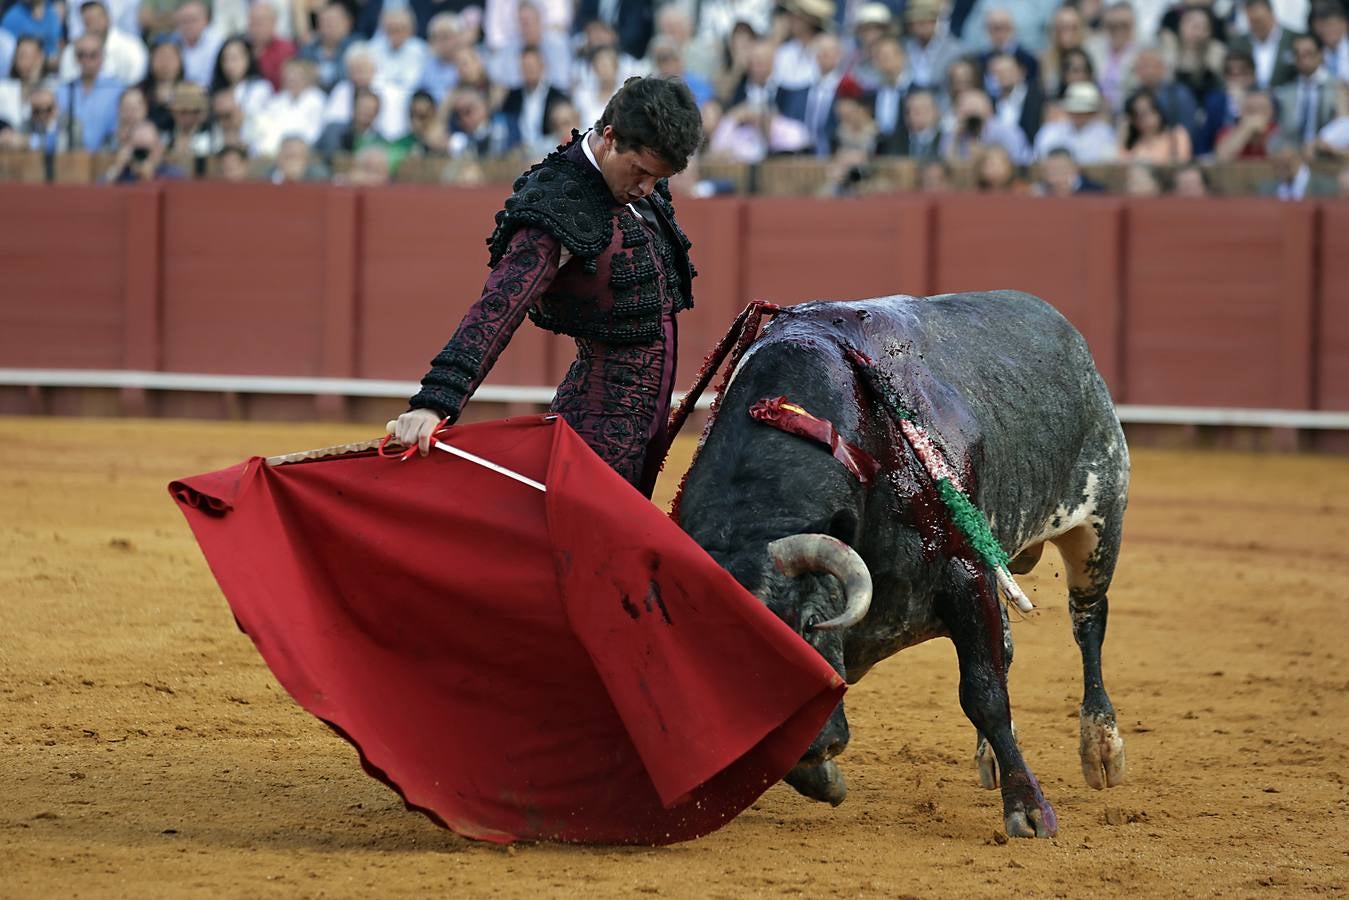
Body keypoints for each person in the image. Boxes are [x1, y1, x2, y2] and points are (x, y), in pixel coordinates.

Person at [393, 76, 702, 500]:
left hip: (644, 428)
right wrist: (435, 400)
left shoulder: (633, 182)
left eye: (658, 178)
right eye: (642, 172)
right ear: (610, 138)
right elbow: (499, 305)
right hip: (596, 433)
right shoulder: (558, 202)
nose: (647, 189)